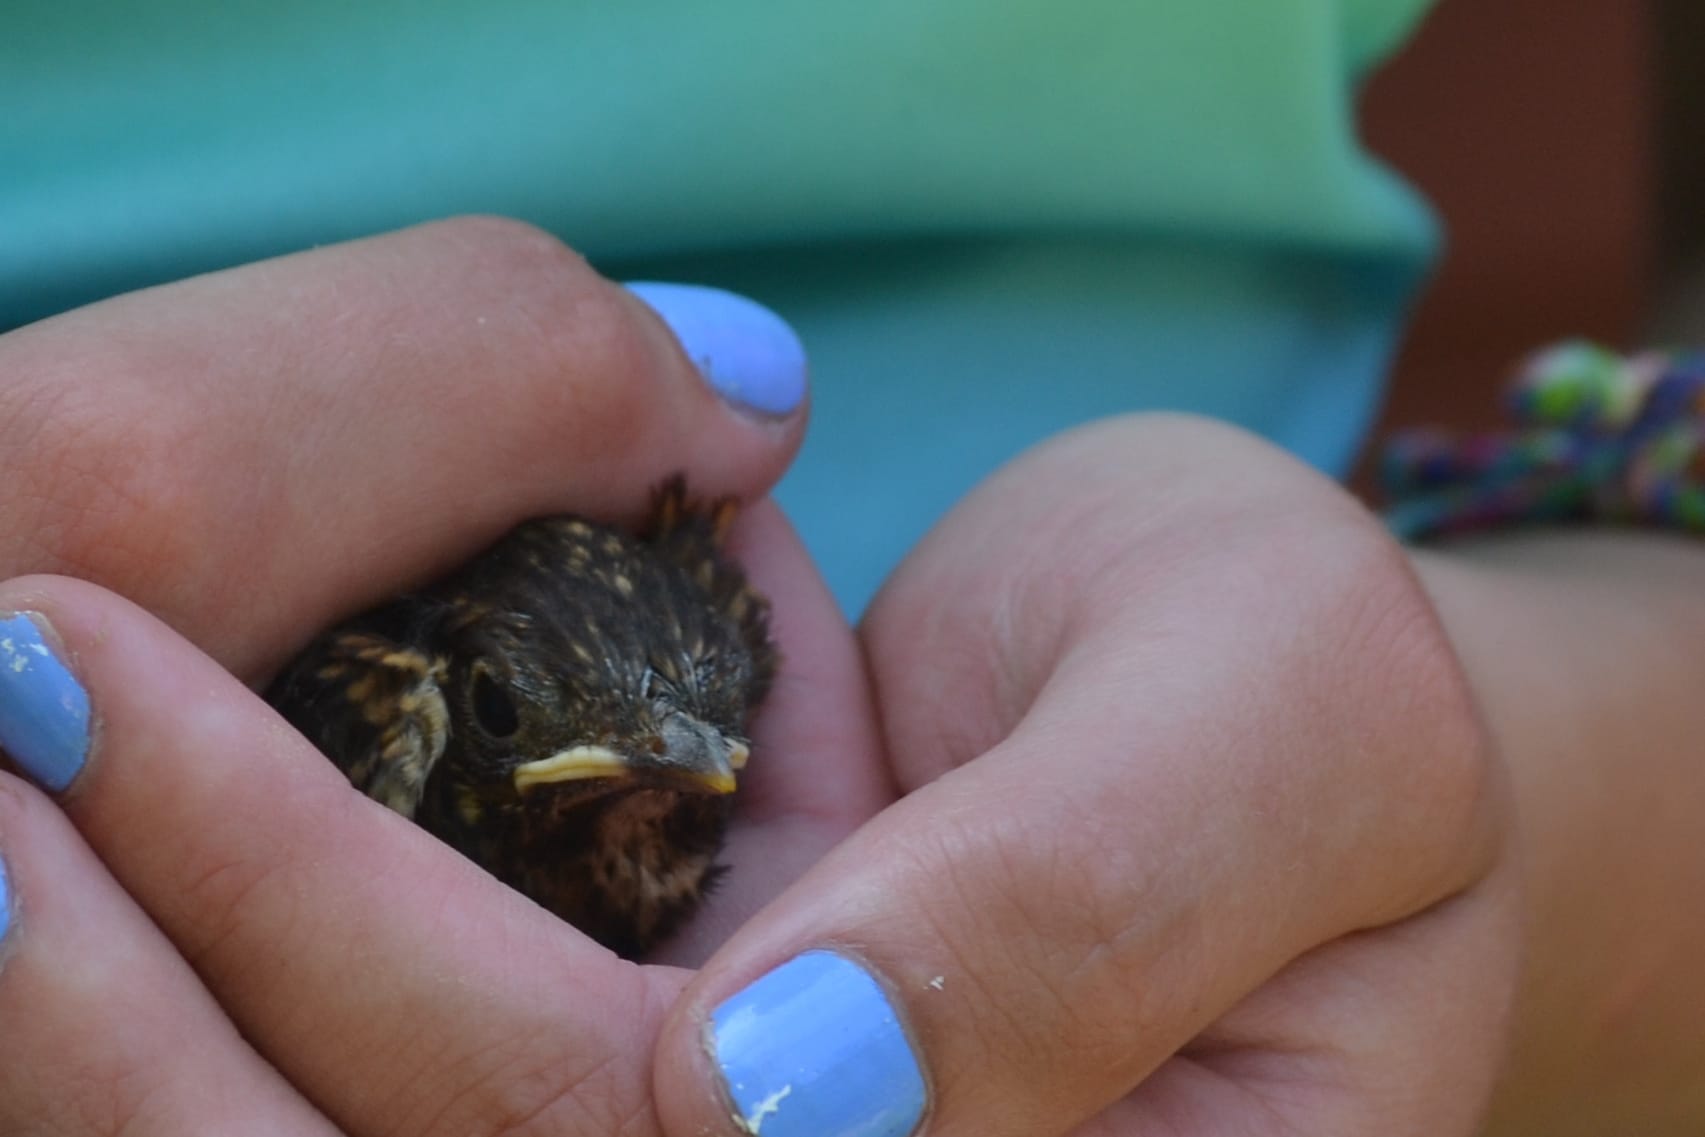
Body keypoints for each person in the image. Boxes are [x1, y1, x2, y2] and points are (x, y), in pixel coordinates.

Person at [1, 4, 1702, 1136]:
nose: (682, 771)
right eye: (514, 712)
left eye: (716, 724)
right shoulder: (390, 710)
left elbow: (1533, 210)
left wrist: (1478, 830)